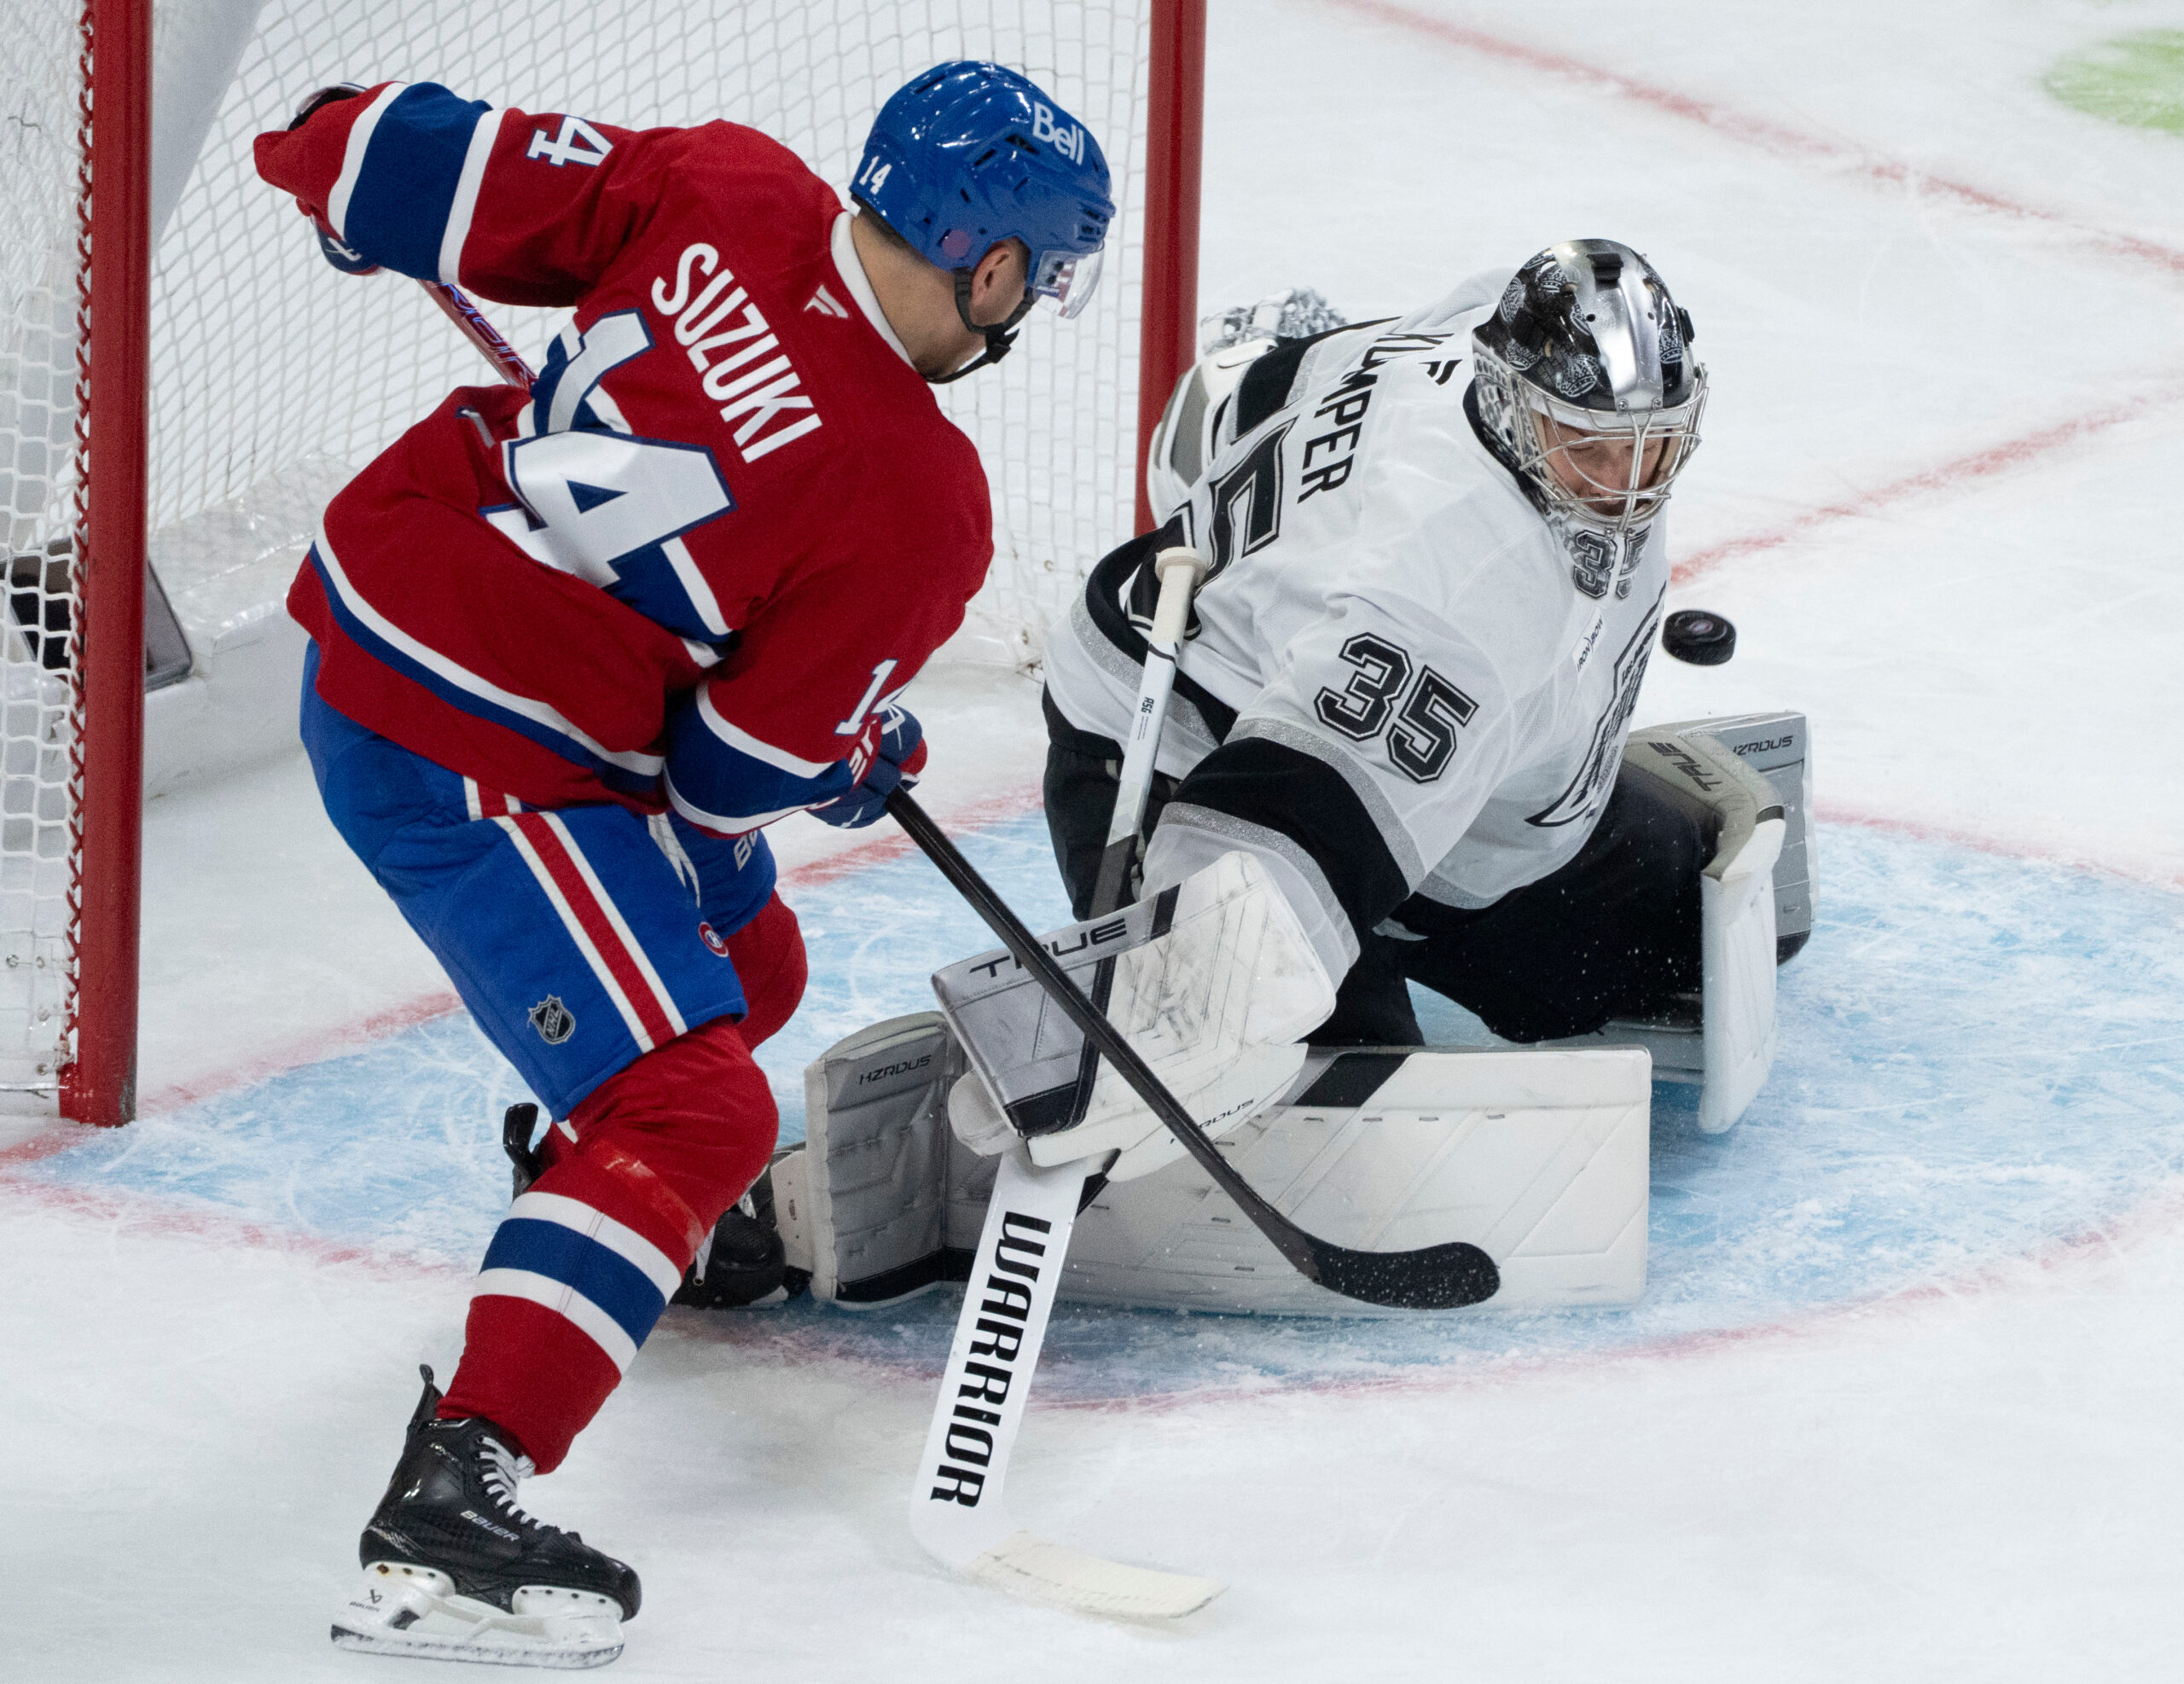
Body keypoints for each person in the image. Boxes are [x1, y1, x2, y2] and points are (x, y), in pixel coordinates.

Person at [253, 61, 1112, 1664]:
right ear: (991, 266)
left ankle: (592, 1209)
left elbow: (402, 163)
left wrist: (329, 155)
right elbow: (726, 780)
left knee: (755, 967)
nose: (1020, 316)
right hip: (478, 739)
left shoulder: (728, 182)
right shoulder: (920, 497)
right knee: (696, 1099)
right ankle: (454, 1500)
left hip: (403, 589)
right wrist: (851, 751)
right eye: (1036, 283)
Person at [1039, 240, 1711, 1057]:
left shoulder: (1481, 318)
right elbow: (1277, 828)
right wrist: (1181, 1008)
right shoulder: (1453, 592)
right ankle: (1358, 965)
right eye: (1590, 446)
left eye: (1654, 443)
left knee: (1675, 919)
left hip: (1438, 785)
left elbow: (1264, 385)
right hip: (1186, 742)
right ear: (1511, 402)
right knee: (1333, 1096)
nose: (1625, 485)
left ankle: (1399, 927)